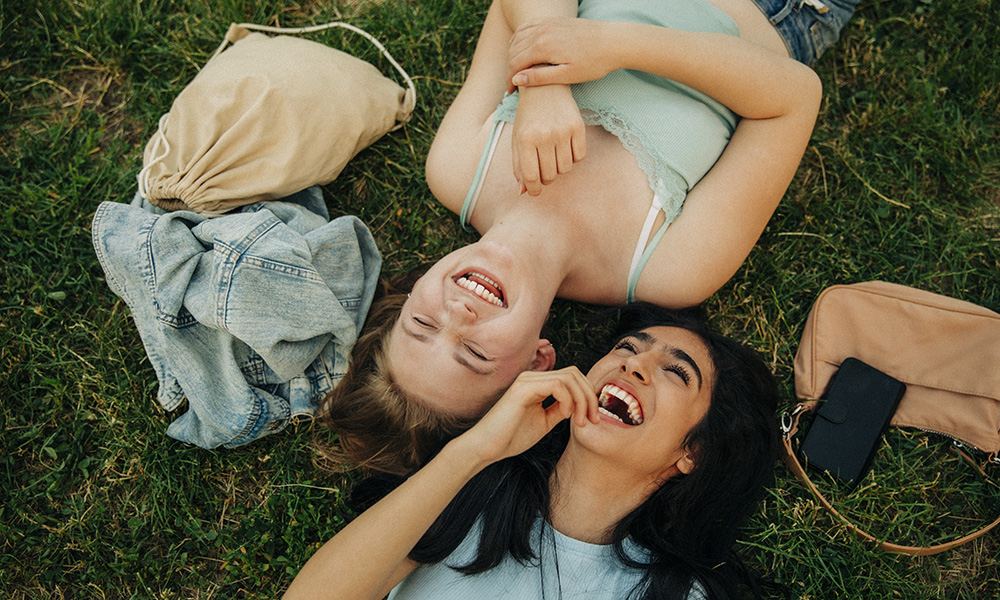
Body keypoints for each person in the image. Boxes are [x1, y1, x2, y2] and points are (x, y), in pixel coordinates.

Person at [319, 0, 860, 474]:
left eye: (422, 324)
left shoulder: (459, 167)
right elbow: (792, 96)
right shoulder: (665, 270)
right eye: (475, 354)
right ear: (537, 362)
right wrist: (616, 45)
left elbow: (511, 8)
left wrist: (545, 86)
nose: (457, 317)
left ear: (410, 294)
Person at [288, 304, 781, 600]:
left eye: (677, 372)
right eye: (628, 348)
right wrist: (476, 450)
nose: (633, 366)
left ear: (691, 452)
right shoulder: (469, 492)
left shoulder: (671, 594)